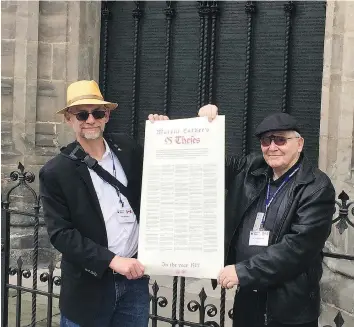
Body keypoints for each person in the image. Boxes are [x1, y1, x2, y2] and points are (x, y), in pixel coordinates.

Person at [39, 80, 167, 327]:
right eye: (81, 114)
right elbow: (61, 235)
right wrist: (111, 260)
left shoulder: (127, 149)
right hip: (89, 287)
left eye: (97, 113)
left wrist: (164, 132)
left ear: (106, 115)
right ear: (69, 118)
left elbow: (164, 174)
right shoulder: (56, 171)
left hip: (134, 282)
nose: (90, 120)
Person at [198, 105, 335, 327]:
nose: (272, 147)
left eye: (280, 140)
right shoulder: (251, 169)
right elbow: (206, 164)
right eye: (265, 141)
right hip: (248, 297)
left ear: (299, 144)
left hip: (288, 306)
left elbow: (297, 248)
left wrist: (242, 271)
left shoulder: (316, 187)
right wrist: (204, 127)